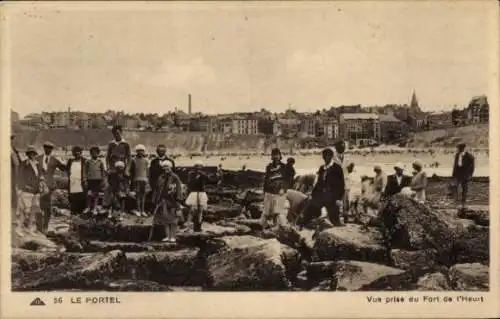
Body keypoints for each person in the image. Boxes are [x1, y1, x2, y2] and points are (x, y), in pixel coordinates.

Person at [301, 148, 345, 227]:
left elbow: (341, 184)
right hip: (321, 195)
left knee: (335, 220)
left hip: (332, 196)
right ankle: (307, 223)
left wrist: (338, 198)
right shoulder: (322, 168)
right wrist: (313, 193)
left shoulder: (337, 168)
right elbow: (318, 183)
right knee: (310, 209)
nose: (325, 158)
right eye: (324, 156)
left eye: (327, 156)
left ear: (331, 156)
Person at [37, 141, 66, 233]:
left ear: (52, 150)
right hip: (38, 187)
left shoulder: (54, 160)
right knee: (38, 207)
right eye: (46, 148)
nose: (48, 150)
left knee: (47, 208)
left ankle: (45, 227)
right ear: (44, 148)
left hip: (49, 187)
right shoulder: (38, 158)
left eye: (50, 148)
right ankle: (39, 227)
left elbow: (64, 168)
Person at [16, 146, 46, 235]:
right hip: (27, 190)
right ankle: (19, 228)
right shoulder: (24, 164)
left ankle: (30, 228)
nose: (32, 155)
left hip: (36, 191)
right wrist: (23, 186)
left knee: (33, 210)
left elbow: (40, 175)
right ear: (28, 154)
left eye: (33, 153)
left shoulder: (37, 164)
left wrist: (41, 182)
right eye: (30, 154)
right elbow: (20, 177)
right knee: (25, 210)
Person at [151, 160, 183, 242]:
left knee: (173, 219)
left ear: (171, 167)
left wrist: (178, 199)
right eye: (164, 167)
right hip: (163, 200)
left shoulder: (175, 177)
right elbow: (157, 188)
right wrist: (155, 198)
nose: (166, 168)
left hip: (173, 200)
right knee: (165, 220)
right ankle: (167, 236)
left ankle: (173, 236)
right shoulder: (161, 177)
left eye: (167, 167)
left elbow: (178, 189)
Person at [260, 148, 288, 230]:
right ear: (272, 156)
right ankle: (264, 228)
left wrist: (283, 188)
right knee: (266, 212)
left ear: (280, 156)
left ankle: (281, 228)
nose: (276, 157)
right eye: (274, 155)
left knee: (279, 212)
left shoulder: (284, 167)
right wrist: (264, 192)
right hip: (269, 192)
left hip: (280, 193)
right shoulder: (268, 167)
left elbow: (287, 180)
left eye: (277, 155)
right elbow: (266, 180)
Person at [185, 161, 209, 232]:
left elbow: (208, 180)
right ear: (195, 167)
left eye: (200, 167)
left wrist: (203, 175)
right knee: (191, 210)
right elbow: (190, 183)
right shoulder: (191, 174)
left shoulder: (203, 174)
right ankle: (188, 226)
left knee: (200, 210)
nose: (199, 168)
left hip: (201, 192)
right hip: (194, 192)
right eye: (197, 167)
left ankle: (198, 226)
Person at [83, 146, 106, 215]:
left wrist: (103, 180)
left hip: (98, 180)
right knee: (89, 194)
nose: (94, 154)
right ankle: (88, 207)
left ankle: (95, 208)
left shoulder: (100, 162)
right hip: (90, 180)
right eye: (93, 153)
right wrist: (85, 179)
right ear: (91, 153)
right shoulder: (88, 161)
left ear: (98, 153)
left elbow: (103, 172)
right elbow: (84, 171)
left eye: (96, 153)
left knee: (96, 195)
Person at [452, 142, 475, 208]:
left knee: (464, 189)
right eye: (458, 148)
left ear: (463, 148)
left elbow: (472, 167)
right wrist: (453, 175)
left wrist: (470, 175)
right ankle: (455, 203)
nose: (457, 149)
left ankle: (463, 203)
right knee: (455, 187)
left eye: (459, 148)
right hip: (457, 173)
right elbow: (455, 165)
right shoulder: (457, 155)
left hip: (465, 174)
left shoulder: (469, 156)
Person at [130, 144, 150, 217]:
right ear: (136, 151)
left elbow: (147, 171)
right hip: (136, 180)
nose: (140, 152)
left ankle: (143, 210)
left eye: (142, 151)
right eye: (139, 151)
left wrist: (148, 181)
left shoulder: (146, 160)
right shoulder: (133, 160)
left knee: (143, 196)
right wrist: (132, 181)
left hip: (144, 180)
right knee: (138, 196)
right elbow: (131, 172)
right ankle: (138, 210)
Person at [66, 146, 87, 215]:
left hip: (82, 182)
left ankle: (81, 216)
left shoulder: (84, 160)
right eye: (75, 152)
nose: (77, 153)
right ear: (73, 153)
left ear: (81, 152)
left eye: (78, 152)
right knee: (73, 199)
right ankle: (73, 215)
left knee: (82, 198)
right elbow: (67, 170)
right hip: (73, 182)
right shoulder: (70, 161)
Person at [11, 135, 21, 211]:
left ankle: (14, 207)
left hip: (16, 174)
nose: (13, 142)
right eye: (12, 140)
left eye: (13, 140)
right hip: (10, 174)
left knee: (15, 189)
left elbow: (19, 162)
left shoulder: (15, 151)